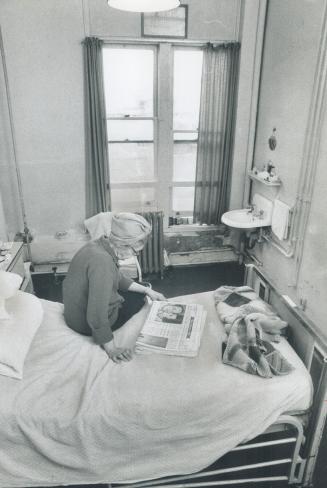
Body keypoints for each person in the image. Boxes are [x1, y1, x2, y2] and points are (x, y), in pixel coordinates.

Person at [63, 213, 165, 363]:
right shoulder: (103, 262)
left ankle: (145, 289)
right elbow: (96, 314)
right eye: (135, 252)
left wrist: (148, 290)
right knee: (138, 299)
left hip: (72, 316)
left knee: (142, 289)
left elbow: (117, 277)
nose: (134, 256)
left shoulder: (97, 245)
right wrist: (111, 348)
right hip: (84, 325)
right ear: (123, 244)